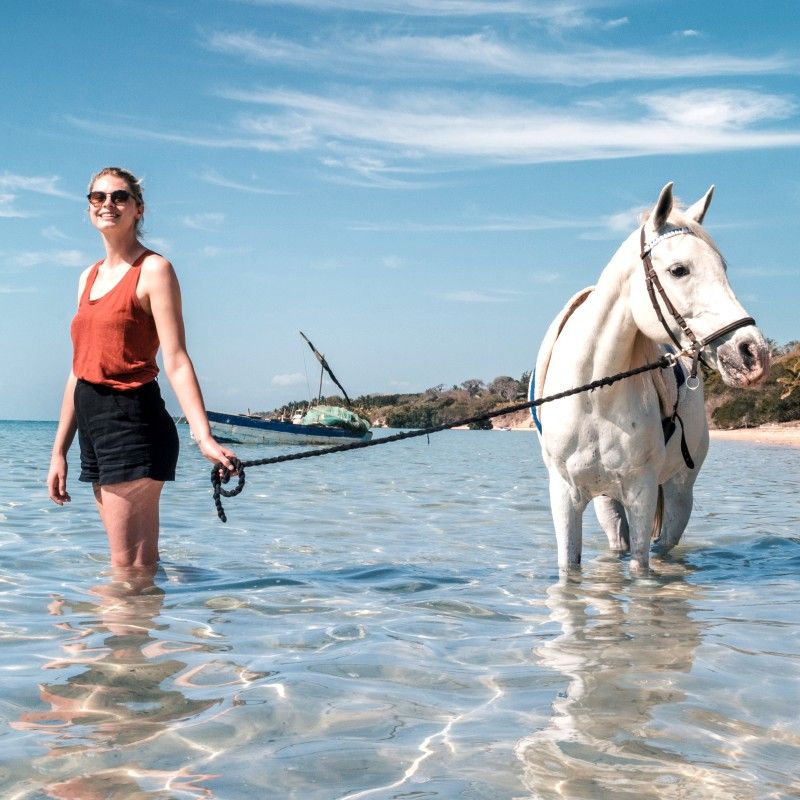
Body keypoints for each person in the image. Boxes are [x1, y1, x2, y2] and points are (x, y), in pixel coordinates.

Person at [48, 167, 237, 569]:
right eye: (97, 197)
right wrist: (58, 451)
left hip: (132, 420)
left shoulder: (154, 270)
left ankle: (120, 629)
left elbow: (176, 358)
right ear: (89, 208)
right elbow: (79, 368)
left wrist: (202, 437)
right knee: (134, 565)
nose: (107, 204)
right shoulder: (87, 277)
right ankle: (157, 629)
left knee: (128, 570)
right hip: (93, 425)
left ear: (139, 209)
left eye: (119, 197)